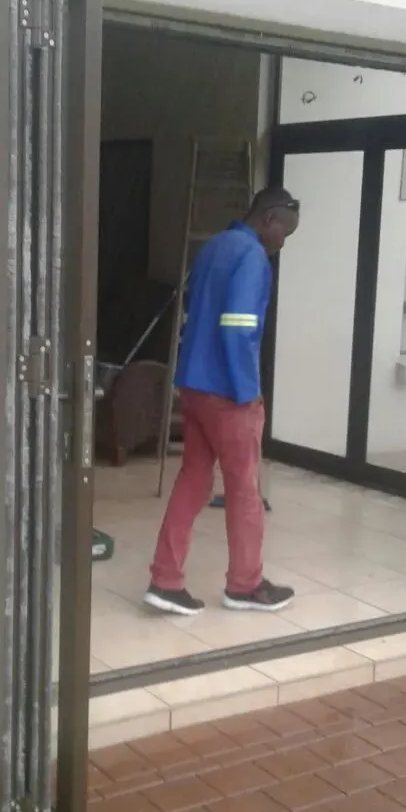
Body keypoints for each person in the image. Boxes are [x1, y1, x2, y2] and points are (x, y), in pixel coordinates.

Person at [145, 186, 300, 617]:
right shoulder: (252, 257)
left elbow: (195, 308)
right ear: (269, 220)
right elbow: (238, 327)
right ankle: (245, 585)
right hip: (228, 392)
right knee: (244, 489)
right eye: (284, 232)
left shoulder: (214, 246)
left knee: (193, 478)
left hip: (193, 385)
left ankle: (165, 578)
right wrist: (247, 394)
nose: (283, 243)